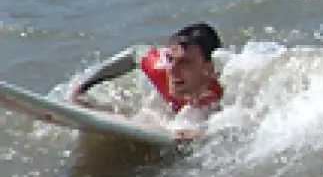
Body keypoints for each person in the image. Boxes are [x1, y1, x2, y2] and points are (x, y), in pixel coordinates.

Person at [69, 22, 224, 139]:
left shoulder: (226, 86)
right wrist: (83, 85)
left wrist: (203, 134)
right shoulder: (160, 68)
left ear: (208, 68)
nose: (173, 70)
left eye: (185, 62)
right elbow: (134, 54)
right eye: (170, 59)